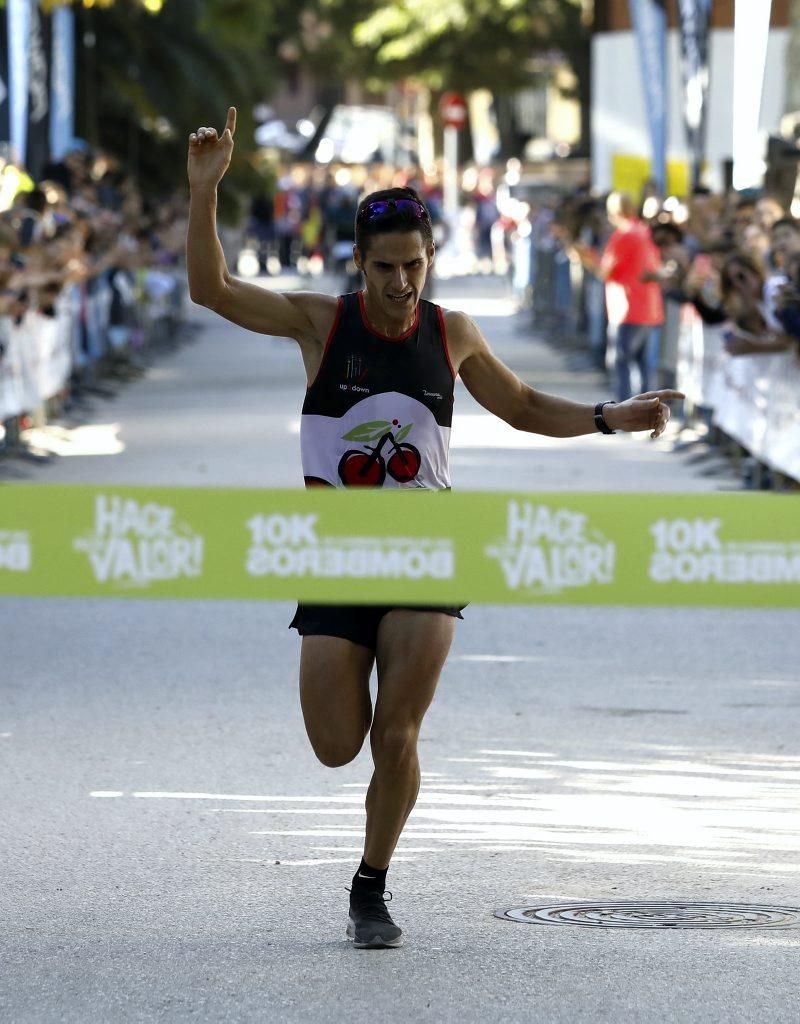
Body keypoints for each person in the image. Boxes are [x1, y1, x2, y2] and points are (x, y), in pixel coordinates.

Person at [186, 108, 682, 950]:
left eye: (415, 266)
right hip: (338, 557)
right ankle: (368, 853)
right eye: (386, 268)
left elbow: (521, 405)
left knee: (398, 733)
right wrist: (205, 192)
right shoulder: (322, 323)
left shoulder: (451, 332)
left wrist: (609, 416)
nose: (401, 284)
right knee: (336, 745)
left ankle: (371, 884)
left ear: (429, 258)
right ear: (359, 262)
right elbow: (214, 291)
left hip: (427, 551)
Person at [575, 192, 664, 402]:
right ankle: (645, 411)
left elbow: (605, 271)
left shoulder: (624, 235)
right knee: (642, 364)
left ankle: (624, 410)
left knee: (620, 362)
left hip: (628, 309)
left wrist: (585, 257)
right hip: (648, 309)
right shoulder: (643, 232)